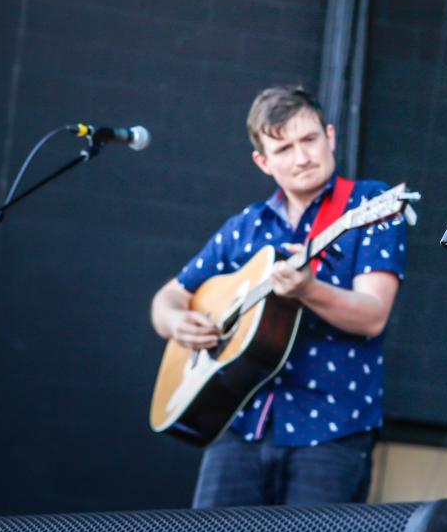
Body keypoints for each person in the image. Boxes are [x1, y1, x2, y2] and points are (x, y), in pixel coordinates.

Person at [150, 85, 406, 507]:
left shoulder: (369, 203)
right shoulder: (244, 226)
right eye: (284, 148)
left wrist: (309, 289)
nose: (302, 156)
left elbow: (373, 315)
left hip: (330, 430)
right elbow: (168, 298)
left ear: (330, 137)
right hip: (238, 425)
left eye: (309, 140)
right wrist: (178, 322)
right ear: (263, 162)